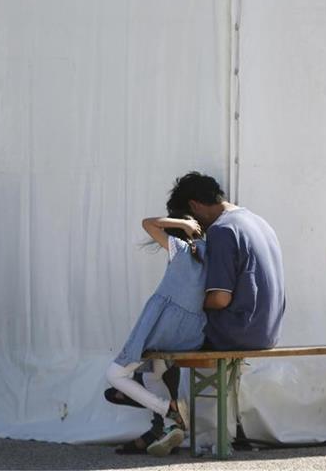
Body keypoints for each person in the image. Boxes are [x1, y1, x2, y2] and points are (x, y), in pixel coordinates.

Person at [104, 212, 207, 456]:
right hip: (190, 333)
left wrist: (182, 223)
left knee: (115, 374)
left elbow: (147, 223)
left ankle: (169, 408)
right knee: (153, 373)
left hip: (165, 326)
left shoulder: (180, 250)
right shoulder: (210, 254)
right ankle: (171, 425)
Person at [166, 171, 286, 350]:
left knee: (158, 339)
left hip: (237, 333)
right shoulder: (260, 222)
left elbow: (220, 299)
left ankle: (140, 378)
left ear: (194, 206)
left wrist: (185, 300)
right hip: (268, 334)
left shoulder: (222, 229)